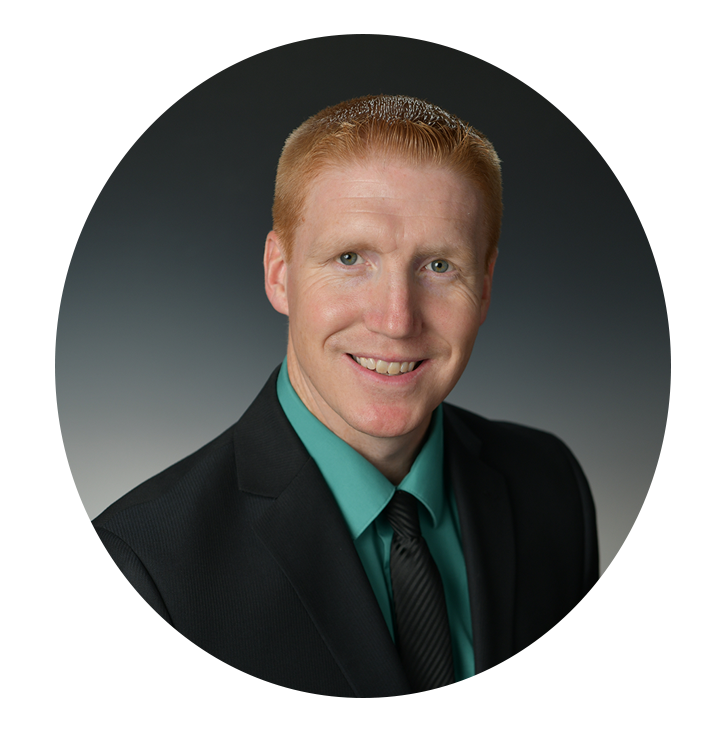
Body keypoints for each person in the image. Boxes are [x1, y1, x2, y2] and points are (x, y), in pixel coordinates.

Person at [93, 94, 599, 697]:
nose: (396, 320)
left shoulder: (550, 485)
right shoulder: (141, 568)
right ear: (279, 274)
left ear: (485, 288)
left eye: (438, 265)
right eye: (351, 258)